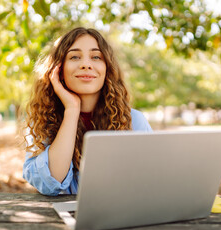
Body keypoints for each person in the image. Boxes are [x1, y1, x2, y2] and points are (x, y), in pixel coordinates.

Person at [23, 27, 152, 196]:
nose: (86, 64)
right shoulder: (42, 121)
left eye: (96, 57)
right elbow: (50, 183)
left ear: (107, 68)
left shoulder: (134, 120)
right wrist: (72, 109)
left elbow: (150, 180)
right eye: (74, 56)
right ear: (58, 69)